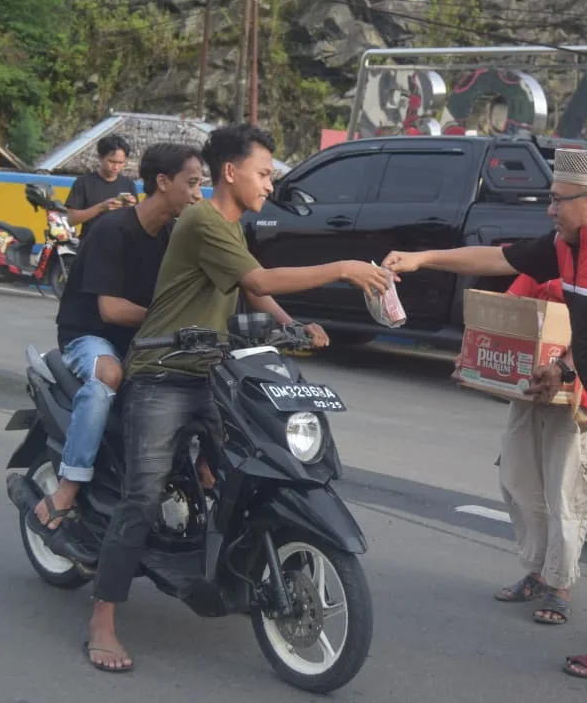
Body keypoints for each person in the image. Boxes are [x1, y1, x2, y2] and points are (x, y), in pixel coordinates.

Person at [384, 147, 587, 681]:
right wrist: (424, 259)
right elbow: (501, 259)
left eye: (559, 201)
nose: (550, 210)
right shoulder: (570, 243)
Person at [84, 124, 391, 672]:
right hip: (162, 373)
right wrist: (343, 268)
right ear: (232, 172)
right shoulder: (203, 219)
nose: (270, 185)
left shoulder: (228, 224)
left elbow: (250, 288)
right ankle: (102, 619)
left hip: (210, 371)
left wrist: (291, 324)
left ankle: (219, 565)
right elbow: (261, 276)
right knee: (142, 496)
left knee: (240, 466)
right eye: (265, 173)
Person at [25, 144, 206, 562]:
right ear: (163, 183)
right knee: (108, 376)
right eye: (192, 183)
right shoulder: (114, 230)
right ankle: (68, 487)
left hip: (144, 339)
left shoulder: (172, 235)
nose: (199, 195)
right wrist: (172, 324)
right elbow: (110, 309)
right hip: (90, 334)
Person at [489, 274, 587, 626]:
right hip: (531, 392)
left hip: (578, 398)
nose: (553, 214)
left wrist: (565, 366)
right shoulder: (545, 258)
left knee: (565, 496)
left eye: (559, 212)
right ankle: (538, 573)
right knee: (518, 483)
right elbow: (505, 312)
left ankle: (560, 585)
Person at [65, 135, 139, 240]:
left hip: (120, 244)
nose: (116, 167)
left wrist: (132, 208)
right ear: (100, 157)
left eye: (121, 163)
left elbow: (136, 222)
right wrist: (101, 207)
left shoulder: (128, 184)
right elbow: (70, 219)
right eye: (112, 161)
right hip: (90, 243)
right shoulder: (84, 182)